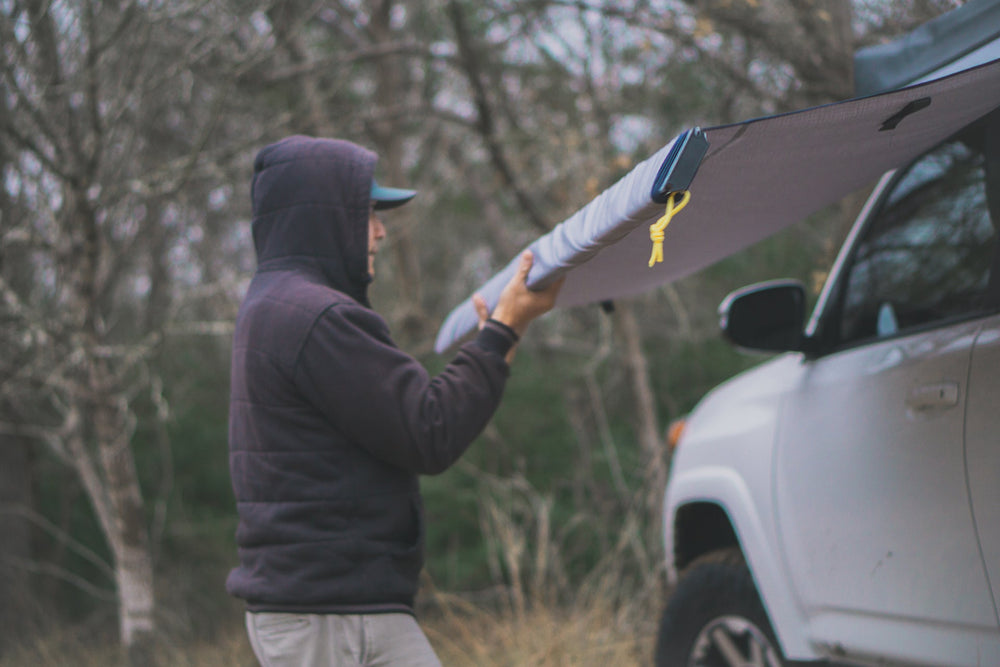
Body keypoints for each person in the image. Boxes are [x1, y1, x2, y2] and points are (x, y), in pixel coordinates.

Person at [227, 135, 563, 666]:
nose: (381, 230)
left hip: (336, 607)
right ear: (324, 218)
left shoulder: (277, 304)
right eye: (366, 213)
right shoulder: (314, 315)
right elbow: (430, 430)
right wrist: (503, 330)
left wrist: (500, 338)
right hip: (329, 617)